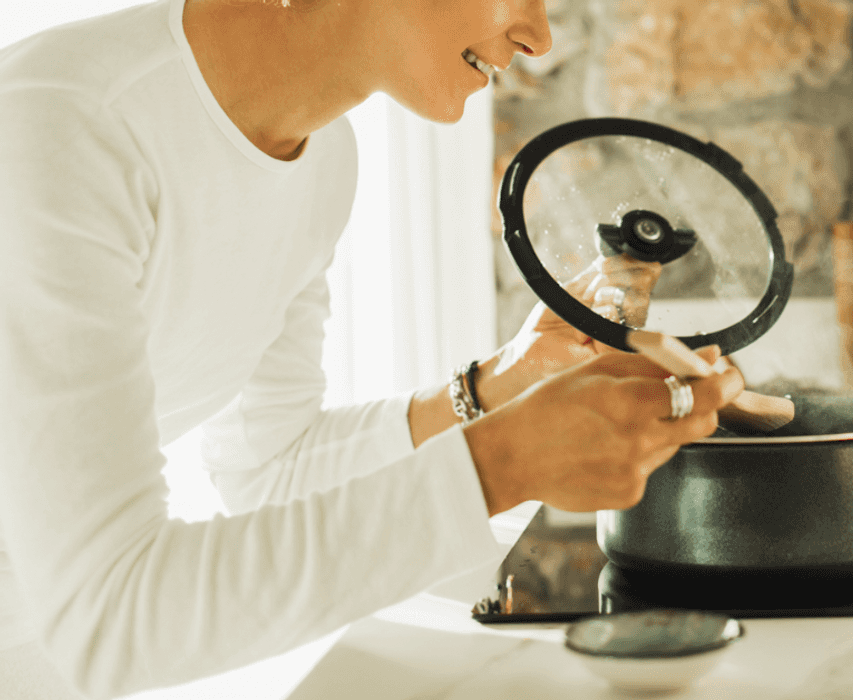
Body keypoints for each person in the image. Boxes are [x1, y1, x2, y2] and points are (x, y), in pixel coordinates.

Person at [0, 0, 744, 697]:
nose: (537, 36)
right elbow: (110, 614)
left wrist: (496, 388)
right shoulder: (59, 125)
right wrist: (502, 463)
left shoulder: (323, 159)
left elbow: (268, 467)